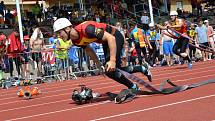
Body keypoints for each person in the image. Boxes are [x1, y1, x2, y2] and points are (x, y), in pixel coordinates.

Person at [53, 18, 152, 92]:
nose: (58, 36)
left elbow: (111, 38)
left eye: (59, 32)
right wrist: (98, 65)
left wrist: (112, 60)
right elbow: (89, 51)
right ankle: (140, 70)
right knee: (110, 70)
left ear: (67, 28)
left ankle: (133, 84)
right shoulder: (75, 41)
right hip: (106, 41)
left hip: (114, 37)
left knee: (111, 68)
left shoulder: (87, 29)